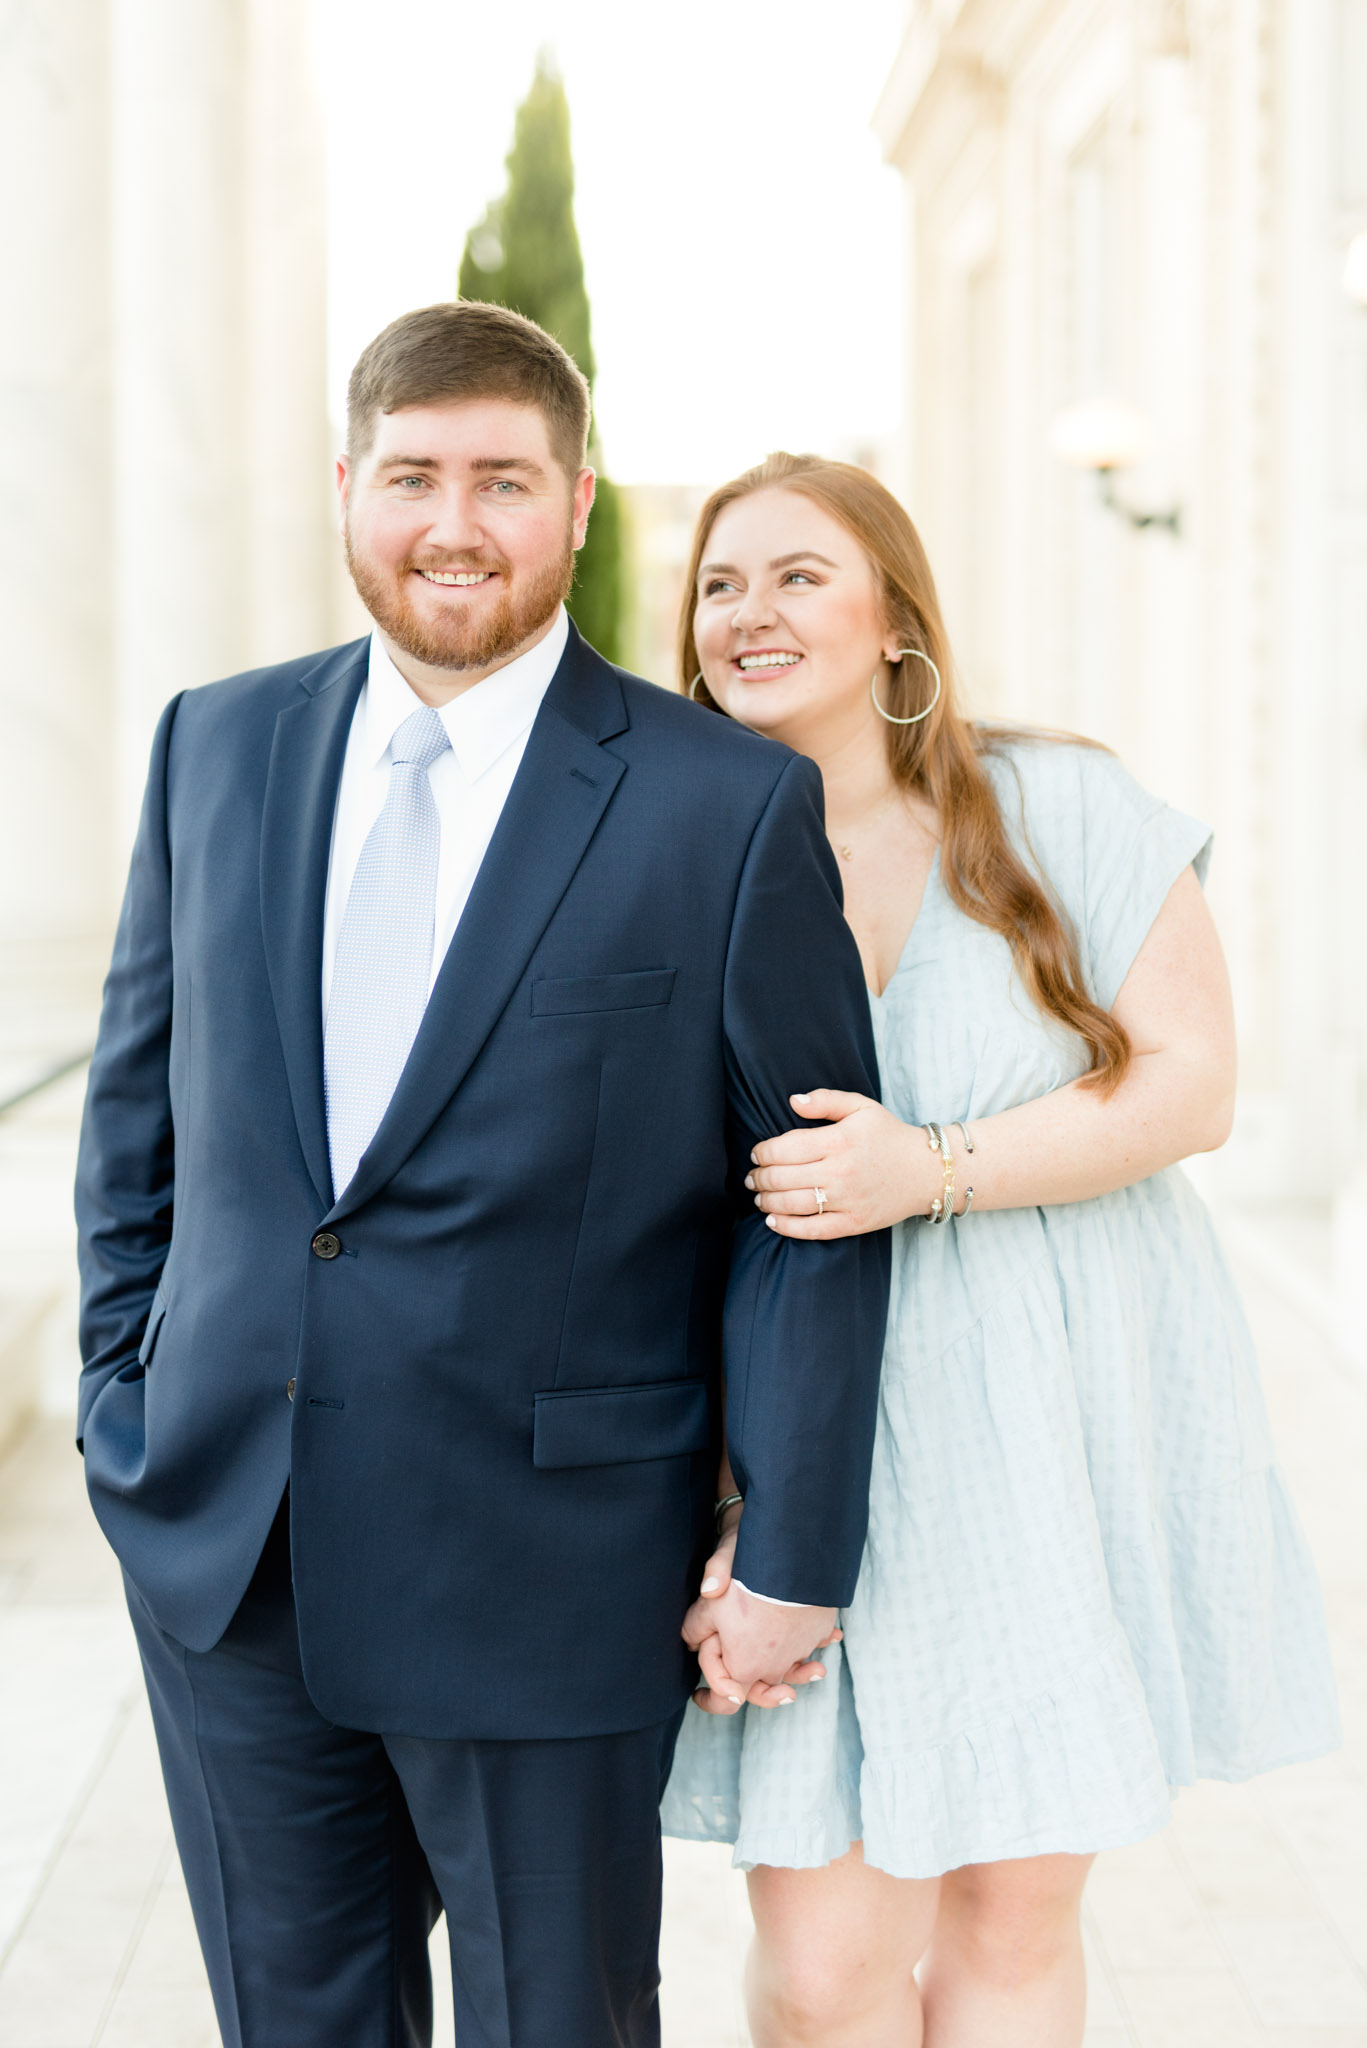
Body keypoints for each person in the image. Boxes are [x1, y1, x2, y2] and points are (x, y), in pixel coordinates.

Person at [74, 310, 890, 2048]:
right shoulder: (210, 747)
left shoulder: (724, 809)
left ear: (576, 503)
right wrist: (116, 1401)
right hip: (229, 1552)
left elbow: (810, 1210)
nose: (457, 521)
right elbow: (137, 1119)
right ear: (347, 489)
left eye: (504, 480)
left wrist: (797, 1548)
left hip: (552, 1562)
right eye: (415, 475)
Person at [662, 452, 1340, 2048]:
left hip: (1052, 1417)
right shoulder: (667, 859)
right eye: (719, 584)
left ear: (898, 617)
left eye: (799, 575)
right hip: (813, 1445)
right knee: (825, 1962)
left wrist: (935, 1168)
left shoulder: (1059, 805)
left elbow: (1194, 1084)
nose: (752, 612)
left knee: (1013, 1915)